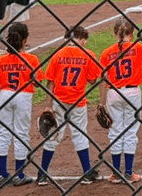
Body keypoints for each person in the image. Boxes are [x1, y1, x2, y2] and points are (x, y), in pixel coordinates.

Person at [38, 26, 103, 186]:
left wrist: (48, 106)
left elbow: (50, 81)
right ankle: (87, 173)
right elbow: (93, 80)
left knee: (52, 135)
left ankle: (42, 174)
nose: (86, 42)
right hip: (78, 102)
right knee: (80, 135)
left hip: (58, 101)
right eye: (84, 39)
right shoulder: (88, 55)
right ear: (78, 38)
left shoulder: (57, 54)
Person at [99, 18, 142, 184]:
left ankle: (116, 173)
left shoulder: (106, 53)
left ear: (114, 33)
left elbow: (103, 79)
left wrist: (101, 102)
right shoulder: (137, 47)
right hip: (132, 92)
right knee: (131, 132)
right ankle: (129, 173)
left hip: (113, 93)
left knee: (115, 131)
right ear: (131, 35)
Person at [0, 22, 42, 186]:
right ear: (25, 40)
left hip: (5, 95)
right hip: (24, 95)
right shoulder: (32, 59)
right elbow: (39, 81)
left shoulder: (1, 59)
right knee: (21, 133)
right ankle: (19, 175)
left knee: (3, 134)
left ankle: (2, 174)